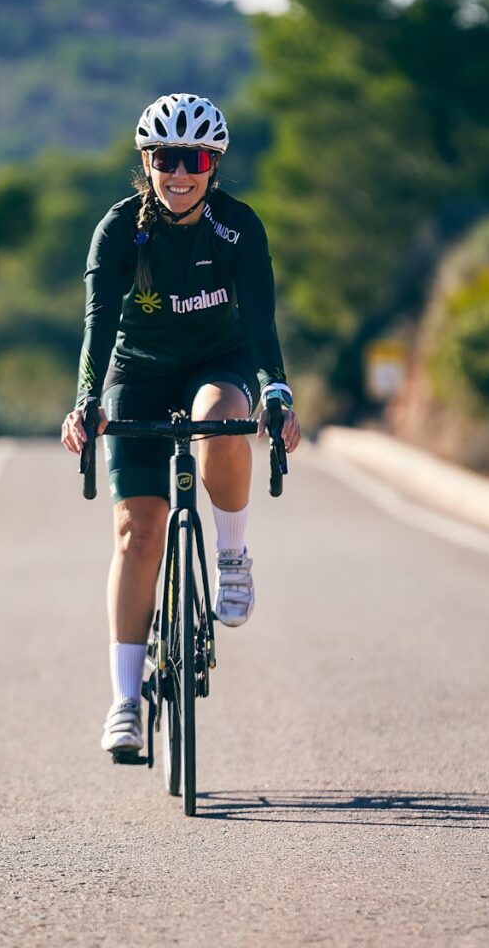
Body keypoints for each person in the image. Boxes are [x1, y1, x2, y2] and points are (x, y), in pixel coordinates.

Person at [61, 93, 301, 756]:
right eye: (166, 157)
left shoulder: (237, 228)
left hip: (216, 363)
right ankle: (125, 700)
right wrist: (85, 400)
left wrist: (276, 395)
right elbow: (96, 326)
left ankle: (230, 555)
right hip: (136, 372)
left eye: (193, 158)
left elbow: (260, 324)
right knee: (139, 534)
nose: (179, 172)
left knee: (217, 418)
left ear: (212, 166)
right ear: (148, 161)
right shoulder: (118, 231)